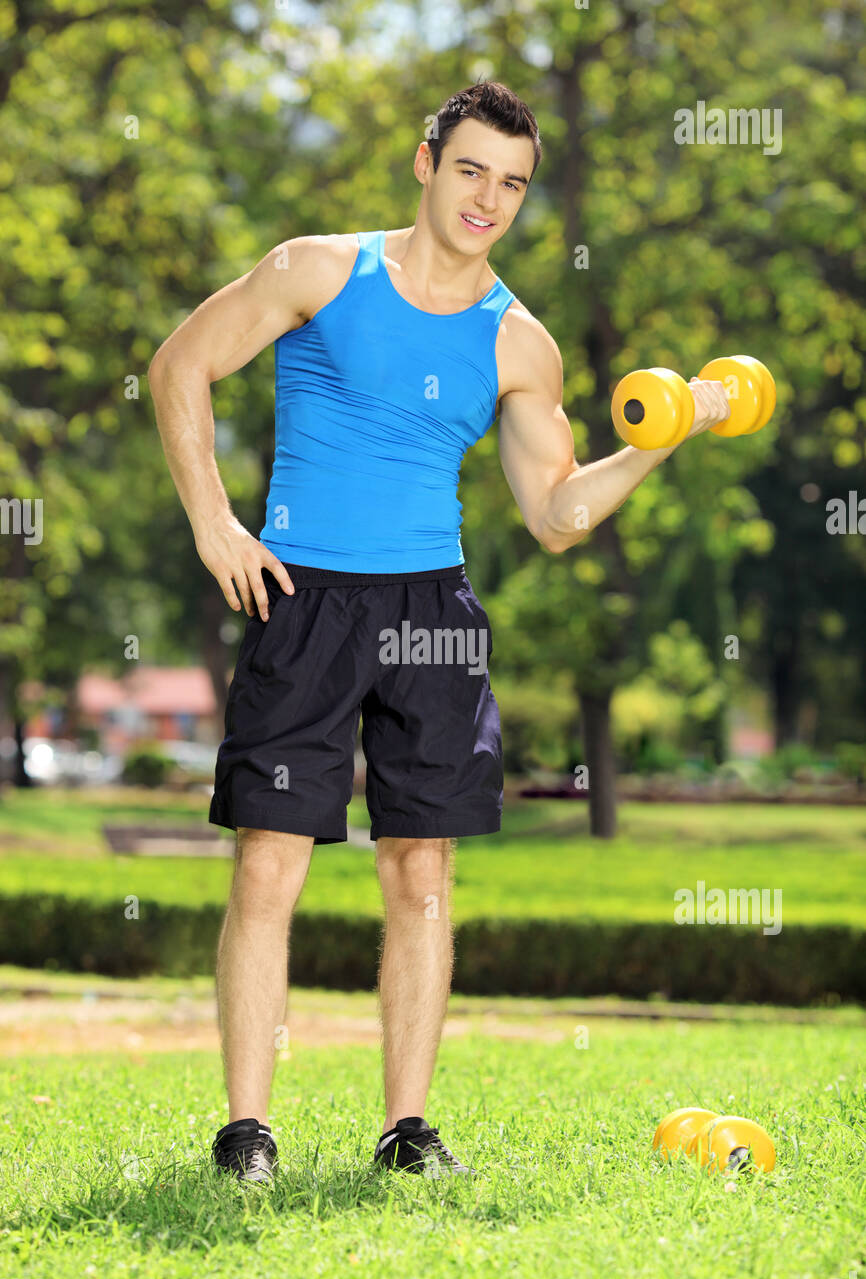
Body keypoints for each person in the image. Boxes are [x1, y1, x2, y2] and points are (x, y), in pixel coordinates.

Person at [148, 80, 729, 1183]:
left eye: (510, 183)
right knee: (268, 866)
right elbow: (181, 365)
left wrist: (665, 437)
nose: (487, 199)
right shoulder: (316, 270)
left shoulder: (521, 344)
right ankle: (245, 1131)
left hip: (432, 611)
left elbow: (555, 514)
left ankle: (404, 1130)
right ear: (425, 163)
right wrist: (214, 522)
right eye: (469, 170)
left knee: (422, 870)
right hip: (302, 592)